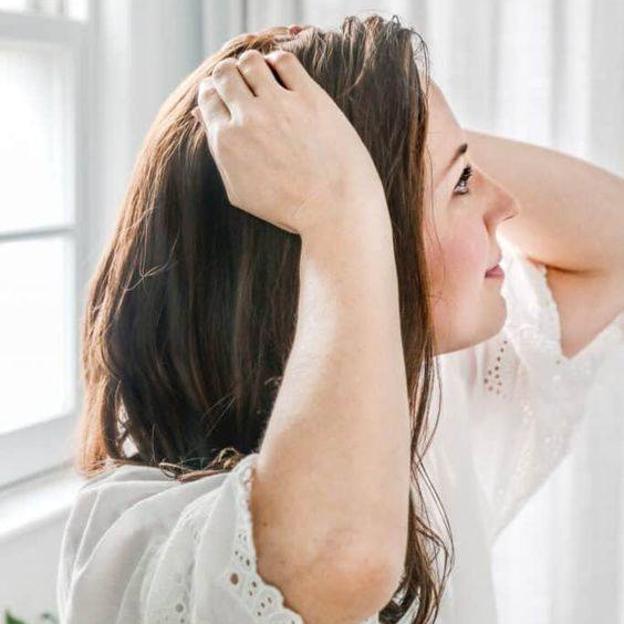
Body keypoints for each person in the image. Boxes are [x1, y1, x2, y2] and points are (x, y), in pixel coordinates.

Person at [56, 14, 624, 624]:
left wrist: (383, 122)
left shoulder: (427, 409)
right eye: (460, 184)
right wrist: (345, 192)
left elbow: (610, 242)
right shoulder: (137, 538)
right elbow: (342, 561)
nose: (506, 206)